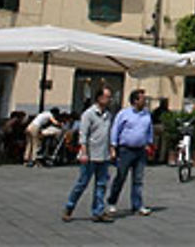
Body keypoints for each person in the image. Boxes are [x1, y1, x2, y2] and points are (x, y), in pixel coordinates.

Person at [62, 87, 114, 223]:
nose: (109, 99)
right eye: (107, 96)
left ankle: (98, 211)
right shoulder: (89, 114)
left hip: (103, 155)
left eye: (110, 97)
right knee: (82, 183)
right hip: (90, 155)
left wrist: (111, 149)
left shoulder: (108, 115)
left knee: (101, 184)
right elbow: (83, 135)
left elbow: (108, 134)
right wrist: (84, 153)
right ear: (99, 98)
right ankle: (69, 207)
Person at [107, 89, 154, 216]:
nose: (145, 101)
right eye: (143, 99)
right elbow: (115, 129)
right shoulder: (124, 114)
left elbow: (149, 130)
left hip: (141, 150)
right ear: (135, 100)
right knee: (121, 177)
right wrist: (113, 147)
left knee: (138, 179)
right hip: (125, 150)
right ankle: (112, 202)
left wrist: (149, 144)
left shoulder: (147, 115)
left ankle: (137, 205)